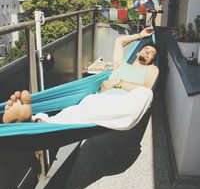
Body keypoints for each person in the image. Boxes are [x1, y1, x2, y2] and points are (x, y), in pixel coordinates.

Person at [3, 27, 159, 125]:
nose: (148, 52)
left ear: (153, 60)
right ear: (138, 51)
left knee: (146, 94)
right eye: (145, 49)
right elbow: (119, 41)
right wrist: (140, 35)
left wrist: (117, 83)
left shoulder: (151, 70)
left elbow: (146, 90)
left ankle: (38, 120)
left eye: (152, 53)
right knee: (76, 111)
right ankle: (36, 120)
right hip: (102, 100)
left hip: (125, 104)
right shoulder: (121, 64)